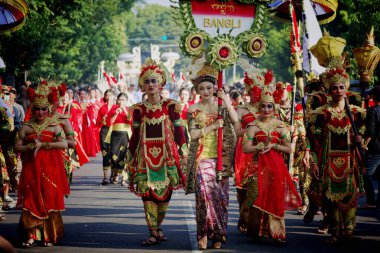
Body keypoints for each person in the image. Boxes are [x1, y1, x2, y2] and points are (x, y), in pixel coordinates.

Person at [126, 58, 188, 246]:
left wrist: (184, 154)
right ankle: (152, 231)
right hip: (145, 158)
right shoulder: (138, 110)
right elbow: (135, 135)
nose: (151, 84)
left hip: (167, 157)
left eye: (154, 80)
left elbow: (179, 131)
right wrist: (129, 158)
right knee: (148, 194)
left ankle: (158, 226)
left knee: (165, 195)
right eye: (147, 81)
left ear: (161, 83)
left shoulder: (171, 106)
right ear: (142, 86)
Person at [308, 61, 366, 243]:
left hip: (350, 161)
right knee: (329, 199)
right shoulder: (321, 113)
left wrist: (361, 140)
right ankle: (335, 230)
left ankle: (348, 230)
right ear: (328, 90)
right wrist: (315, 162)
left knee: (350, 194)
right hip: (328, 161)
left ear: (346, 89)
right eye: (334, 88)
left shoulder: (357, 113)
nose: (338, 91)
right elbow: (313, 141)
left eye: (342, 87)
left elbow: (365, 136)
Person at [186, 60, 237, 250]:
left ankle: (218, 234)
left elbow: (235, 120)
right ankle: (203, 233)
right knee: (203, 196)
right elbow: (194, 134)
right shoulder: (193, 109)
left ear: (215, 88)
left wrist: (227, 101)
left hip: (221, 158)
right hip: (202, 157)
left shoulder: (222, 105)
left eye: (209, 87)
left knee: (220, 198)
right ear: (197, 90)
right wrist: (214, 126)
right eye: (202, 88)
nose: (206, 91)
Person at [242, 82, 301, 245]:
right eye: (263, 106)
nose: (266, 109)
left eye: (269, 106)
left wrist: (273, 145)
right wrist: (260, 145)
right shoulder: (252, 126)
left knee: (275, 198)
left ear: (274, 108)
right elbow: (245, 148)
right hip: (256, 167)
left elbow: (289, 149)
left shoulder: (281, 126)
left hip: (276, 168)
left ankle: (278, 233)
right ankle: (256, 231)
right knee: (256, 197)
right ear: (259, 107)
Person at [14, 81, 70, 247]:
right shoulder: (26, 127)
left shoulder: (54, 127)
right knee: (32, 200)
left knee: (48, 200)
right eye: (37, 108)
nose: (40, 112)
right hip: (31, 169)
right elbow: (16, 146)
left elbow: (65, 144)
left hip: (50, 169)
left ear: (48, 109)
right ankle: (31, 235)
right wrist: (29, 146)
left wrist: (45, 145)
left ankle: (48, 236)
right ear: (33, 108)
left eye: (43, 108)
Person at [233, 60, 264, 234]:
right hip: (243, 152)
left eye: (259, 90)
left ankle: (253, 220)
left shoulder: (267, 109)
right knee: (242, 189)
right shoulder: (242, 110)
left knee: (258, 187)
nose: (256, 94)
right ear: (249, 91)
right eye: (253, 90)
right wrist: (251, 129)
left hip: (261, 152)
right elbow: (236, 133)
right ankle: (243, 215)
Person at [105, 92, 131, 186]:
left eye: (123, 100)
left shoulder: (129, 110)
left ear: (126, 101)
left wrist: (124, 110)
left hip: (125, 135)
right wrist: (115, 114)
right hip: (115, 135)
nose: (121, 101)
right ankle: (115, 174)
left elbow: (131, 121)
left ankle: (124, 178)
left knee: (125, 155)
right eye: (119, 99)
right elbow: (109, 122)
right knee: (114, 155)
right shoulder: (113, 109)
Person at [363, 85, 380, 208]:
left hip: (375, 147)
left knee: (366, 173)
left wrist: (365, 144)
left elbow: (370, 131)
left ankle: (371, 201)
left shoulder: (373, 110)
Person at [96, 89, 116, 185]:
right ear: (105, 97)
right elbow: (97, 122)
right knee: (105, 153)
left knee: (114, 153)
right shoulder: (102, 108)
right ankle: (105, 177)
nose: (109, 97)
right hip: (104, 131)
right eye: (107, 95)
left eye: (110, 95)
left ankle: (113, 174)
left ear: (114, 96)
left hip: (115, 131)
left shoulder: (117, 108)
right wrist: (102, 120)